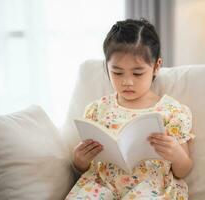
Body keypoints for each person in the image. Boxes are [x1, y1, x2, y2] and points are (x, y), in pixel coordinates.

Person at [65, 18, 195, 200]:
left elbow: (184, 170)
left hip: (150, 188)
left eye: (137, 73)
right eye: (117, 72)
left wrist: (176, 154)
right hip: (101, 185)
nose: (127, 82)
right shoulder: (97, 109)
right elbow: (84, 167)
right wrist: (80, 161)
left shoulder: (171, 112)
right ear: (106, 67)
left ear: (156, 66)